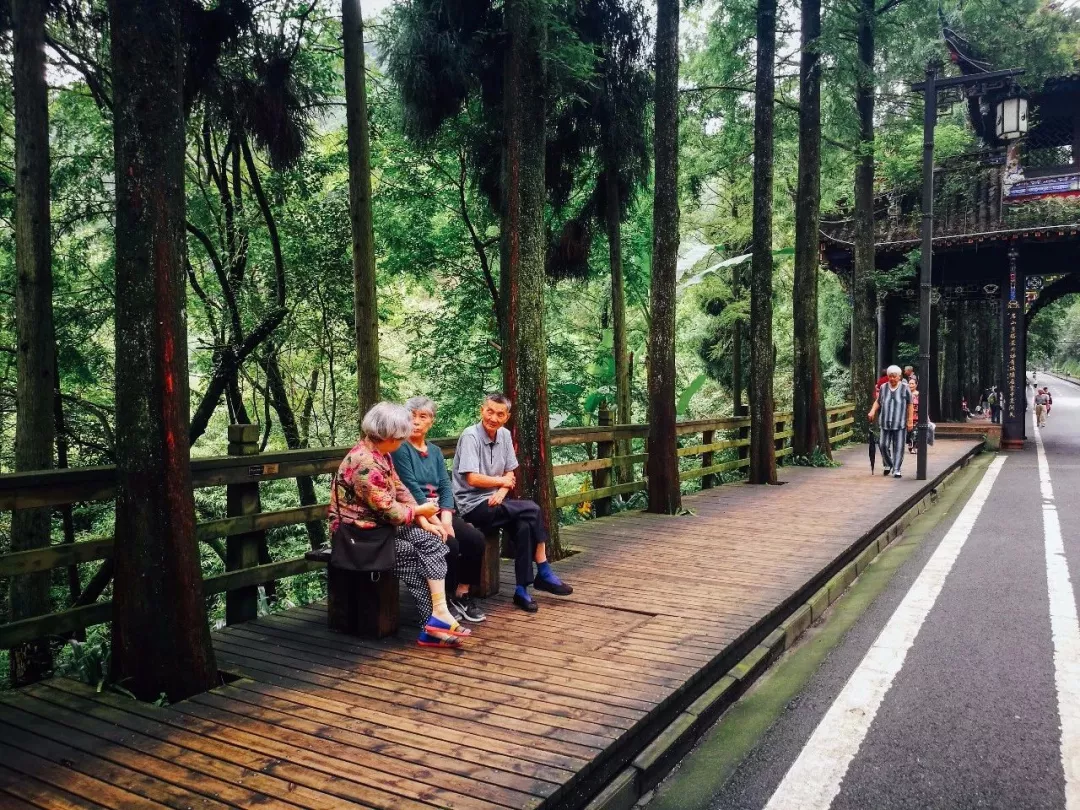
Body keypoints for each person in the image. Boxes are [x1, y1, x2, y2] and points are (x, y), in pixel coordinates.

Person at [331, 402, 471, 648]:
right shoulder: (365, 463)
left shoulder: (381, 453)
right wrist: (419, 510)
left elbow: (400, 489)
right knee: (412, 558)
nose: (403, 440)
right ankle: (431, 626)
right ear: (388, 435)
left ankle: (438, 613)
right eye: (400, 437)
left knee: (433, 541)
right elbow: (389, 509)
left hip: (383, 527)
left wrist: (424, 522)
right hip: (361, 535)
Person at [452, 392, 573, 613]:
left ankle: (522, 589)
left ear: (507, 416)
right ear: (482, 410)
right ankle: (543, 569)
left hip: (497, 503)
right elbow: (473, 478)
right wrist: (502, 483)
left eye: (500, 414)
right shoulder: (470, 436)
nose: (493, 418)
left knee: (524, 525)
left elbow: (510, 471)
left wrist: (502, 489)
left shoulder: (505, 436)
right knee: (533, 508)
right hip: (472, 506)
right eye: (489, 411)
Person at [392, 396, 487, 623]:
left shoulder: (434, 451)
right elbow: (410, 488)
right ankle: (444, 598)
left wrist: (446, 518)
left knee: (475, 539)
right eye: (411, 417)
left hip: (439, 511)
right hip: (417, 513)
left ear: (431, 422)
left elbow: (445, 485)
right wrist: (435, 521)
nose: (416, 422)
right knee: (449, 544)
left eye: (422, 417)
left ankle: (462, 593)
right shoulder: (400, 449)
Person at [868, 365, 914, 479]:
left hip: (900, 423)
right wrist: (872, 411)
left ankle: (897, 469)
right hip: (885, 422)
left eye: (894, 376)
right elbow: (878, 401)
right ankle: (889, 463)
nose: (892, 379)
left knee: (898, 447)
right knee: (883, 445)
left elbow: (910, 404)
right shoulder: (883, 387)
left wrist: (910, 420)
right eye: (890, 376)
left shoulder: (905, 388)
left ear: (899, 376)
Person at [907, 376, 920, 453]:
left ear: (916, 384)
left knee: (916, 432)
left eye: (912, 383)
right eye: (910, 383)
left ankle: (915, 446)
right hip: (908, 416)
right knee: (909, 432)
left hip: (917, 415)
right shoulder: (906, 394)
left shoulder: (918, 394)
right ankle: (910, 445)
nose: (911, 385)